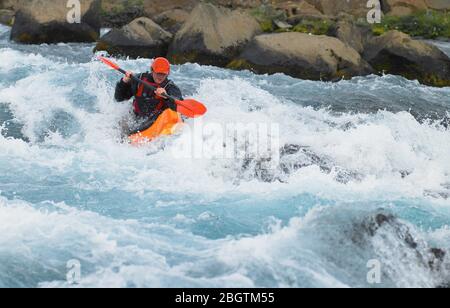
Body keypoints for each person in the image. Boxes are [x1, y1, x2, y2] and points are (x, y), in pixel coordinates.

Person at [114, 57, 183, 136]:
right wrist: (124, 82)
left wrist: (166, 97)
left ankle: (135, 135)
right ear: (152, 70)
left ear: (167, 73)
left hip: (155, 121)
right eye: (158, 73)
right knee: (122, 125)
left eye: (163, 74)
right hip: (135, 117)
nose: (160, 76)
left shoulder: (170, 87)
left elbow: (179, 107)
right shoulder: (139, 80)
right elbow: (119, 98)